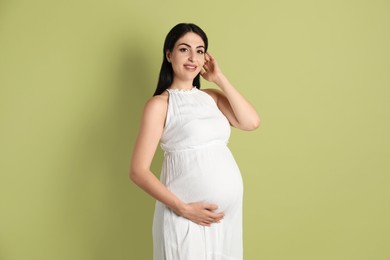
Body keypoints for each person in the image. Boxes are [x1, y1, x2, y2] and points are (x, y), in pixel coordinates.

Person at [130, 23, 260, 260]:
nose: (193, 57)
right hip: (185, 219)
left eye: (200, 51)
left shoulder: (211, 97)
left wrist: (219, 78)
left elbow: (251, 122)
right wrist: (184, 209)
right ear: (169, 54)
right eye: (184, 49)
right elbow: (138, 171)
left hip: (225, 223)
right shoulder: (160, 105)